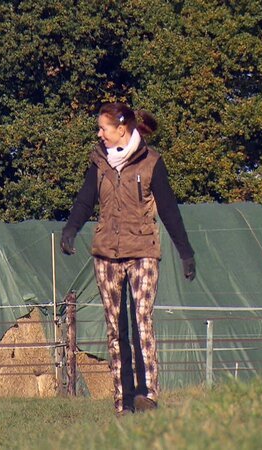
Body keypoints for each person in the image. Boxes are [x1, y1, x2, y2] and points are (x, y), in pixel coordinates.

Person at [61, 103, 196, 416]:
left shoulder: (151, 163)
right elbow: (84, 200)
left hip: (143, 251)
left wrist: (185, 251)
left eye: (103, 128)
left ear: (121, 128)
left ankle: (146, 394)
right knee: (115, 327)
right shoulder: (99, 163)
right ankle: (123, 398)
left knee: (141, 319)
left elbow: (170, 210)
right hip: (106, 253)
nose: (99, 134)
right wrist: (70, 229)